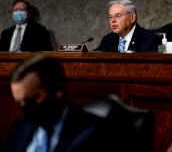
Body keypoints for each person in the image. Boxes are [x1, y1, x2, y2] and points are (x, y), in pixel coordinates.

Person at [4, 55, 154, 152]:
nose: (26, 108)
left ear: (57, 90)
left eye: (32, 100)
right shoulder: (20, 129)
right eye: (20, 102)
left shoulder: (98, 134)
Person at [94, 0, 161, 52]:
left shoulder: (150, 40)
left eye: (118, 16)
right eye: (111, 17)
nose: (113, 20)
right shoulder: (107, 40)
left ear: (132, 17)